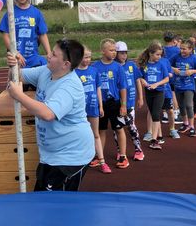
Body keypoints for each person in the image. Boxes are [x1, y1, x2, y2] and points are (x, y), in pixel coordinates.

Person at [7, 39, 95, 191]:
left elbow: (47, 114)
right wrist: (12, 66)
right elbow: (17, 76)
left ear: (66, 64)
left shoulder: (69, 86)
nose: (48, 55)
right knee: (43, 202)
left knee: (57, 206)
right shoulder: (46, 71)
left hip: (71, 157)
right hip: (51, 154)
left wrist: (19, 96)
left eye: (54, 54)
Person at [92, 38, 129, 169]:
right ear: (103, 51)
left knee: (119, 129)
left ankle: (123, 156)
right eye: (111, 50)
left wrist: (123, 105)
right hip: (101, 104)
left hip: (115, 103)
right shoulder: (95, 67)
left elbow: (123, 87)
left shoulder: (118, 67)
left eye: (115, 51)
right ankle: (99, 156)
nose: (114, 53)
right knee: (101, 130)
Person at [0, 0, 50, 69]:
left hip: (33, 59)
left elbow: (42, 34)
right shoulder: (10, 13)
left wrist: (49, 53)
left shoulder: (36, 13)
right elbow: (5, 35)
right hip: (16, 59)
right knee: (16, 82)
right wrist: (16, 53)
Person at [75, 46, 111, 174]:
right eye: (85, 57)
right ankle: (79, 162)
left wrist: (101, 106)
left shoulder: (94, 71)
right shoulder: (73, 73)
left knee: (95, 134)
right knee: (80, 135)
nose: (87, 60)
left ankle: (102, 161)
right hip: (79, 110)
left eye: (89, 57)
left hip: (93, 107)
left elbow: (98, 89)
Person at [114, 41, 145, 161]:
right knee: (117, 129)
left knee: (131, 127)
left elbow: (137, 80)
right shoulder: (114, 67)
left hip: (130, 102)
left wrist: (141, 98)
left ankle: (138, 149)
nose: (124, 55)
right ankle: (120, 151)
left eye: (125, 53)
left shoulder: (131, 65)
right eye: (121, 53)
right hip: (117, 103)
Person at [137, 42, 169, 150]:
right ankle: (159, 136)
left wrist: (156, 84)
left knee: (156, 114)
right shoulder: (145, 65)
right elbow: (140, 76)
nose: (159, 57)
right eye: (157, 55)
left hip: (159, 92)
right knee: (152, 112)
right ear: (150, 53)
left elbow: (166, 79)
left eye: (160, 55)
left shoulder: (161, 64)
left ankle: (154, 140)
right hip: (149, 92)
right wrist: (144, 81)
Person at [170, 39, 196, 137]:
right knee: (181, 106)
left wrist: (192, 71)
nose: (182, 51)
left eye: (184, 49)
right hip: (178, 85)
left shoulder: (194, 58)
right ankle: (185, 123)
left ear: (190, 49)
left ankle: (192, 127)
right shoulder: (176, 57)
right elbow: (167, 64)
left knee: (188, 105)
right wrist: (174, 69)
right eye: (181, 49)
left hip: (189, 85)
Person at [162, 31, 182, 124]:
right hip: (173, 75)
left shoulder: (162, 49)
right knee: (173, 93)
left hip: (163, 74)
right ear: (174, 39)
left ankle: (166, 114)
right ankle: (176, 113)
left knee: (164, 93)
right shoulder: (177, 50)